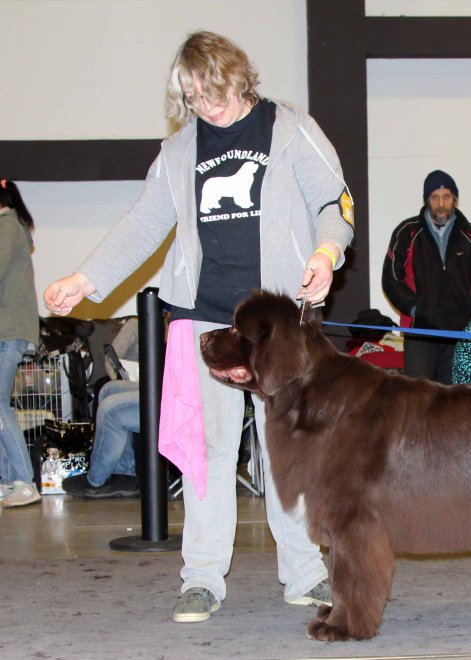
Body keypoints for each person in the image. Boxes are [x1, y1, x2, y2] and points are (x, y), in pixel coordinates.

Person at [43, 31, 353, 622]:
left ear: (239, 77)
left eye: (213, 91)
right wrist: (86, 280)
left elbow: (334, 202)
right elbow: (142, 224)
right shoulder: (181, 151)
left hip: (278, 327)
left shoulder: (289, 129)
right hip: (207, 324)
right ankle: (203, 579)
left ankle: (306, 574)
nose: (206, 105)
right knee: (205, 454)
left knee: (287, 449)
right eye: (192, 96)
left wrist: (326, 254)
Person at [382, 170, 471, 383]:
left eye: (446, 196)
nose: (441, 203)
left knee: (456, 401)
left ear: (455, 199)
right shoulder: (407, 232)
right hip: (420, 332)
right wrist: (417, 310)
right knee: (419, 400)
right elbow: (391, 279)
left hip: (459, 334)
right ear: (426, 200)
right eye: (435, 197)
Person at [61, 317, 140, 499]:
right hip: (156, 383)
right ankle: (124, 474)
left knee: (111, 408)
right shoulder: (137, 325)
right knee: (107, 390)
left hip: (177, 393)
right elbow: (111, 359)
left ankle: (95, 480)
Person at [0, 180, 42, 509]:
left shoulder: (6, 226)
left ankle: (23, 481)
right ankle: (8, 481)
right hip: (9, 329)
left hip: (6, 331)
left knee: (0, 407)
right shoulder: (12, 226)